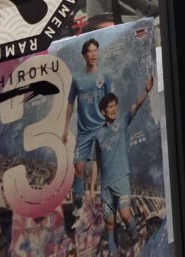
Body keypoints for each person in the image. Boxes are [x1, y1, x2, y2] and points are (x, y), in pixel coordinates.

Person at [95, 76, 155, 255]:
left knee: (126, 214)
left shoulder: (121, 122)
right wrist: (91, 187)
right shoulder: (98, 135)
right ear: (103, 111)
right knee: (110, 224)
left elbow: (136, 106)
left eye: (115, 105)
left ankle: (137, 240)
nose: (114, 109)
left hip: (121, 178)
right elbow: (96, 161)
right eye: (110, 107)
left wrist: (146, 91)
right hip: (105, 185)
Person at [62, 38, 112, 228]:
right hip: (83, 131)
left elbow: (110, 101)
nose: (93, 54)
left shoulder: (105, 75)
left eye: (95, 50)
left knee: (103, 167)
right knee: (79, 168)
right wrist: (65, 128)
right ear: (84, 55)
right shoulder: (77, 79)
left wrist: (110, 125)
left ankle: (109, 209)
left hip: (101, 128)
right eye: (90, 51)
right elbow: (70, 103)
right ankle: (78, 209)